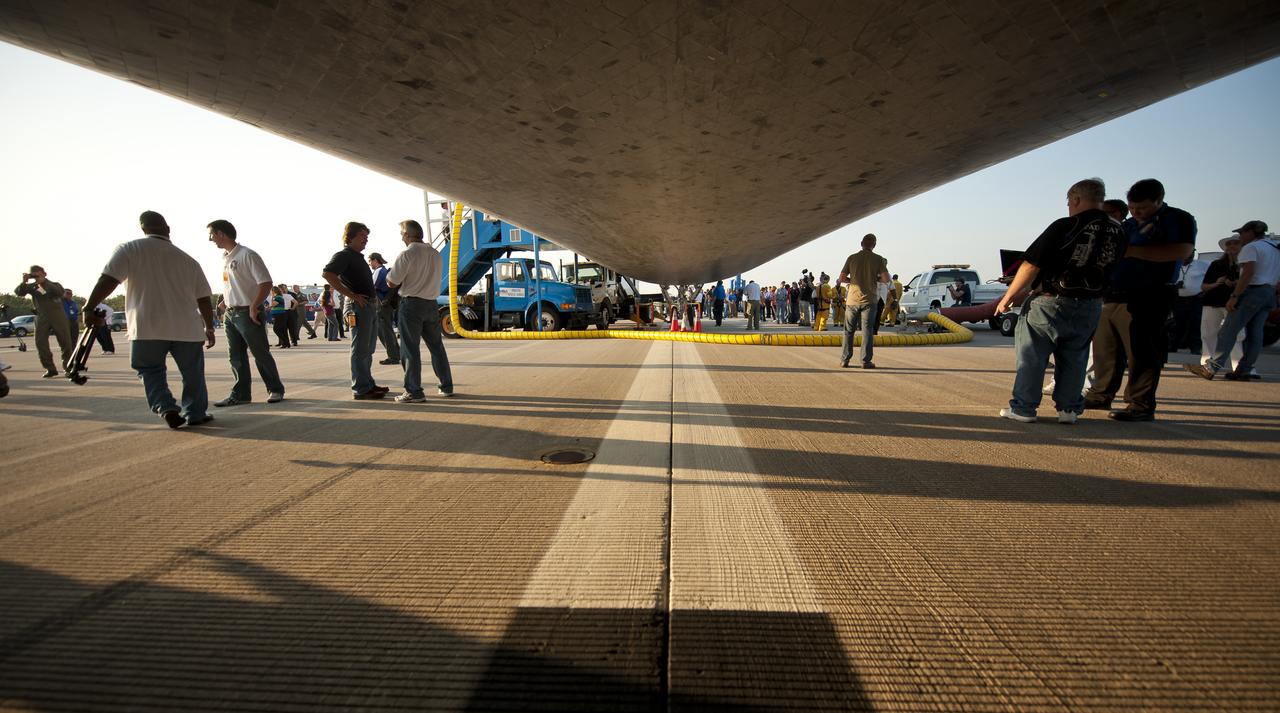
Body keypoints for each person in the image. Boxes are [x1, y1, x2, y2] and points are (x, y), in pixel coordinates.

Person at [994, 178, 1128, 424]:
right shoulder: (1119, 230)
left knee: (1032, 356)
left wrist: (1009, 296)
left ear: (1076, 199)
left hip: (1051, 301)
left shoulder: (1067, 225)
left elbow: (1032, 264)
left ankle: (1024, 408)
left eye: (1069, 202)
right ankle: (1068, 409)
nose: (1069, 206)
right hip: (1090, 303)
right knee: (1075, 358)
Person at [83, 211, 215, 429]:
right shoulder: (188, 260)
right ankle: (195, 412)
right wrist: (209, 327)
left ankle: (166, 407)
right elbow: (203, 299)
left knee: (150, 369)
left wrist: (89, 306)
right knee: (192, 373)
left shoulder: (130, 249)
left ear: (143, 229)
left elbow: (108, 279)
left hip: (146, 326)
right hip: (187, 328)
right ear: (168, 229)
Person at [1084, 178, 1195, 421]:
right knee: (1105, 349)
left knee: (1142, 351)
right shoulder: (1129, 225)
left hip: (1150, 294)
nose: (1136, 212)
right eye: (1132, 207)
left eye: (1142, 208)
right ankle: (1101, 394)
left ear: (1159, 200)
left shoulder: (1177, 219)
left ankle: (1140, 404)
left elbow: (1183, 251)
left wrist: (1132, 252)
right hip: (1113, 294)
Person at [1185, 220, 1278, 381]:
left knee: (1228, 331)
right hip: (1268, 291)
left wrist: (1235, 296)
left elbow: (1248, 273)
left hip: (1253, 291)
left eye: (1242, 233)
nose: (1241, 236)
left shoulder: (1251, 247)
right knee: (1255, 334)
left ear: (1251, 233)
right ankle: (1245, 369)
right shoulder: (1274, 248)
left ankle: (1211, 367)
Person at [207, 219, 285, 407]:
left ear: (222, 234)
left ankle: (275, 389)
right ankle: (240, 394)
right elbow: (235, 284)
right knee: (235, 356)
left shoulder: (247, 255)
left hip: (247, 313)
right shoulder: (226, 258)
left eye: (212, 234)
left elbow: (265, 283)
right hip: (231, 313)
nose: (210, 239)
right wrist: (226, 302)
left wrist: (254, 306)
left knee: (260, 353)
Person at [386, 220, 454, 401]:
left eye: (402, 234)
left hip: (411, 305)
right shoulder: (435, 254)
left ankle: (414, 391)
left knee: (410, 349)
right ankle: (446, 386)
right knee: (437, 347)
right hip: (431, 304)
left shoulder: (407, 254)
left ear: (408, 235)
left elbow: (392, 281)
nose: (402, 238)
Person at [323, 222, 389, 399]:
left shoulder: (358, 257)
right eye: (362, 235)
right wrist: (351, 295)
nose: (366, 239)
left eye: (367, 235)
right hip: (357, 306)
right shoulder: (344, 255)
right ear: (350, 236)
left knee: (368, 349)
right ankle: (360, 388)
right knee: (360, 348)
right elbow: (328, 274)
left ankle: (368, 383)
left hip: (369, 306)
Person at [1195, 235, 1250, 376]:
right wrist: (1218, 283)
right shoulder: (1216, 265)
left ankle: (1237, 365)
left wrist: (1236, 284)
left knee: (1237, 334)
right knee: (1208, 333)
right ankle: (1206, 364)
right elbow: (1204, 286)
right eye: (1229, 244)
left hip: (1235, 303)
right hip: (1212, 302)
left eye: (1235, 243)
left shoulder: (1247, 264)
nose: (1232, 246)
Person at [838, 234, 889, 369]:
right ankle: (865, 361)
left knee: (848, 331)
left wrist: (853, 280)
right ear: (874, 245)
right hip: (870, 300)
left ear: (861, 243)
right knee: (867, 331)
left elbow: (842, 278)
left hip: (852, 300)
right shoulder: (878, 259)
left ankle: (845, 360)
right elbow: (886, 279)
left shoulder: (852, 258)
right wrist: (874, 279)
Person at [15, 266, 74, 378]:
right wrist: (24, 282)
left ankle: (68, 367)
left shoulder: (55, 284)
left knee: (65, 343)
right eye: (34, 275)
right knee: (40, 343)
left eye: (38, 274)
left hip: (58, 317)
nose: (36, 277)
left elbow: (58, 292)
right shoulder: (32, 287)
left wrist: (44, 282)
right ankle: (50, 368)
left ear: (44, 274)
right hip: (42, 317)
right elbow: (19, 292)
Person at [369, 252, 402, 365]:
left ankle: (393, 356)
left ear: (375, 260)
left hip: (382, 305)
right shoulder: (382, 271)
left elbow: (371, 288)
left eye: (370, 261)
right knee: (387, 330)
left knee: (384, 331)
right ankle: (397, 354)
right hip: (386, 305)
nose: (370, 264)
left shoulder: (379, 271)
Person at [1168, 253, 1204, 354]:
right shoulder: (1174, 265)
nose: (1188, 256)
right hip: (1178, 299)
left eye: (1191, 254)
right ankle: (1173, 346)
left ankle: (1195, 347)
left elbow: (1211, 277)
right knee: (1178, 323)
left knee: (1195, 324)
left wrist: (1205, 291)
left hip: (1196, 299)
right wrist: (1175, 286)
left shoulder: (1202, 265)